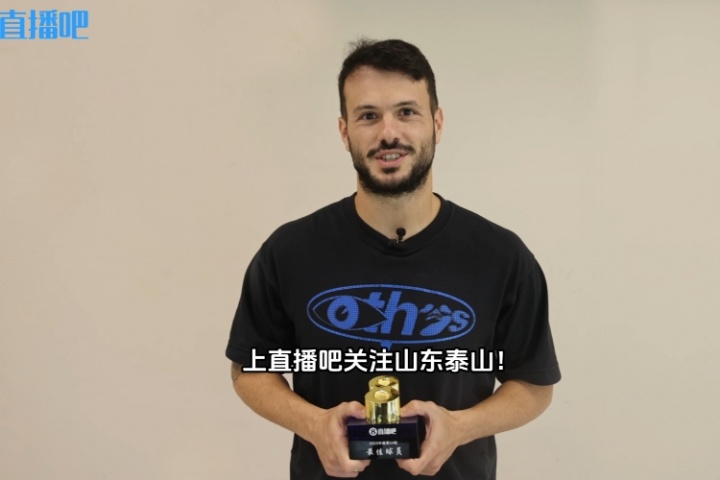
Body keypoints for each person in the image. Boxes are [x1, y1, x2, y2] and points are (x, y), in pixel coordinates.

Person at [226, 38, 561, 480]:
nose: (388, 133)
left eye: (406, 112)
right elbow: (250, 369)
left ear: (437, 123)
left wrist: (460, 427)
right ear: (344, 131)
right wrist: (313, 424)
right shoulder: (289, 251)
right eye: (368, 116)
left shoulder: (501, 256)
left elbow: (534, 383)